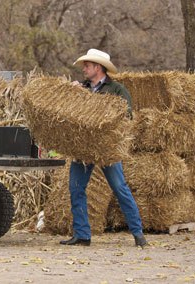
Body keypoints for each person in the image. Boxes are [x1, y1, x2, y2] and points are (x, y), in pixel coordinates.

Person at [60, 49, 148, 247]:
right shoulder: (81, 87)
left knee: (119, 188)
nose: (84, 69)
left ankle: (138, 233)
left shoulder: (117, 90)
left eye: (87, 66)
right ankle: (82, 235)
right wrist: (69, 93)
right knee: (76, 188)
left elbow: (127, 116)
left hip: (107, 148)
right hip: (83, 147)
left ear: (98, 68)